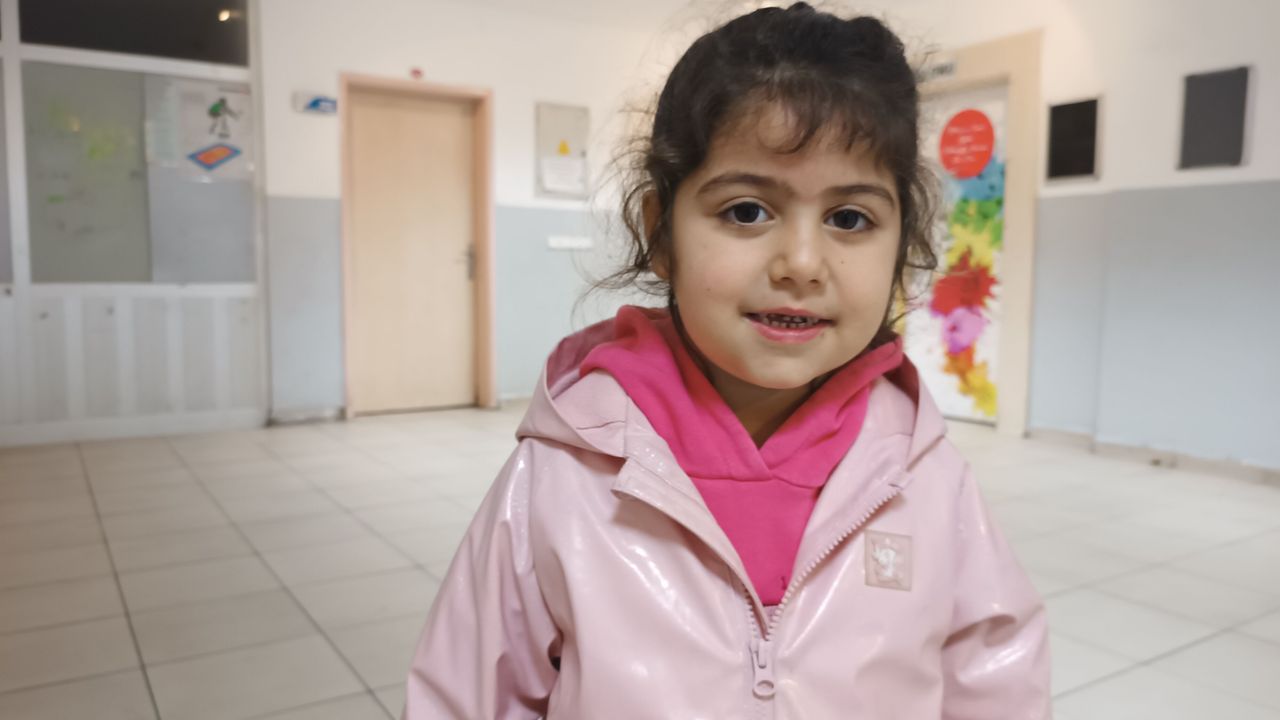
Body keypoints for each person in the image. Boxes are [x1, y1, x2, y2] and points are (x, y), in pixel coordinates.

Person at [402, 4, 1050, 718]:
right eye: (746, 211)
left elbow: (996, 676)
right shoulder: (565, 472)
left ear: (901, 243)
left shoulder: (920, 472)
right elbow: (468, 696)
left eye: (849, 218)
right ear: (661, 235)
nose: (801, 263)